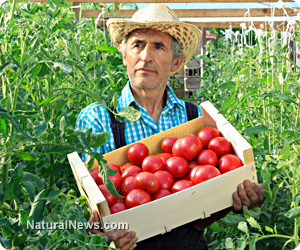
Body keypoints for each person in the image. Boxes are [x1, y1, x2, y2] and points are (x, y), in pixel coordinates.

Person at [76, 4, 265, 250]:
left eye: (158, 46)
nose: (145, 56)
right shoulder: (98, 118)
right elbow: (93, 206)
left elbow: (200, 204)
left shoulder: (194, 116)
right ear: (125, 56)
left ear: (176, 63)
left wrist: (232, 198)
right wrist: (101, 230)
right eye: (137, 45)